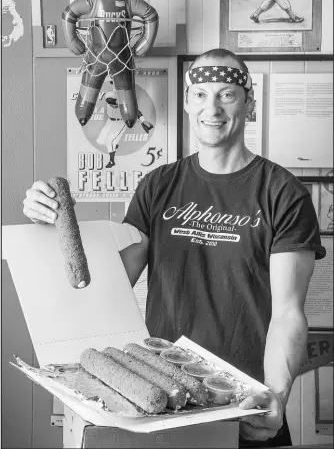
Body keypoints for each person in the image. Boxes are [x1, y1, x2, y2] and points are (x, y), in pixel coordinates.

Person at [23, 47, 325, 447]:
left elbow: (288, 313)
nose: (212, 108)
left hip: (246, 398)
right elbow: (113, 281)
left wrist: (277, 396)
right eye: (200, 94)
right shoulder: (158, 185)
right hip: (166, 396)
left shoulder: (282, 193)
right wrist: (52, 222)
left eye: (227, 94)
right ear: (186, 102)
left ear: (248, 103)